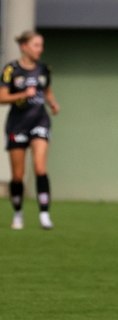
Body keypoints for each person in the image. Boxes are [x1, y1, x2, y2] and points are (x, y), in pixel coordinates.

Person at [1, 31, 60, 230]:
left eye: (41, 45)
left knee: (40, 168)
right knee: (18, 176)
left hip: (39, 121)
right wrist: (23, 94)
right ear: (24, 46)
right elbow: (2, 97)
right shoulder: (11, 69)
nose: (40, 49)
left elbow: (48, 90)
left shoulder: (44, 69)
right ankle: (18, 213)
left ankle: (44, 214)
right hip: (17, 124)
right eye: (36, 45)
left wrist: (52, 104)